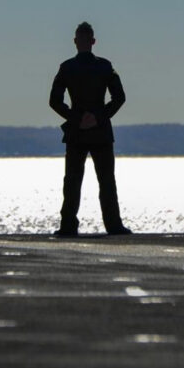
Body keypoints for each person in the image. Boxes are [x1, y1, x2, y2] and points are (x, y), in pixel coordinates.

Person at [49, 22, 131, 236]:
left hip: (78, 131)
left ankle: (68, 225)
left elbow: (55, 101)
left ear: (76, 41)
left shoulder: (67, 67)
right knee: (106, 180)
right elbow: (119, 97)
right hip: (100, 131)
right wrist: (98, 117)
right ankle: (113, 225)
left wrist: (77, 118)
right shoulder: (104, 66)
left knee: (73, 181)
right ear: (93, 41)